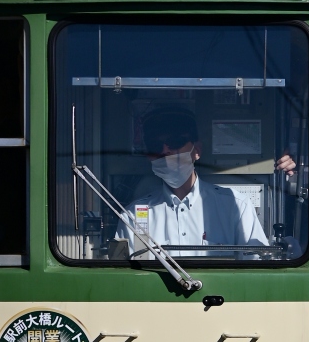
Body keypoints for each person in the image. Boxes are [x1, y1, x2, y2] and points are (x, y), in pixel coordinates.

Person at [118, 106, 281, 257]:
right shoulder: (133, 216)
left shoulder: (236, 207)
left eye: (175, 142)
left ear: (197, 150)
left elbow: (254, 268)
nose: (165, 151)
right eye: (155, 145)